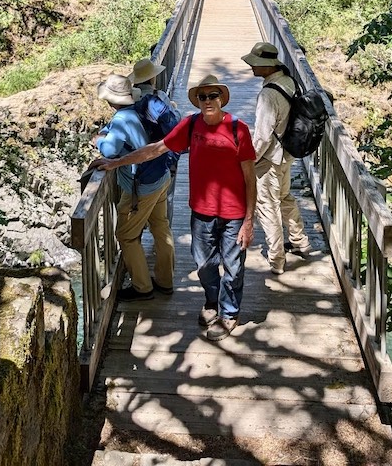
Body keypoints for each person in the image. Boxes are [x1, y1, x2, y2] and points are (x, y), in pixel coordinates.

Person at [91, 73, 257, 341]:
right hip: (202, 210)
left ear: (222, 98)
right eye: (202, 97)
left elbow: (250, 177)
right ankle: (211, 301)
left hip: (234, 213)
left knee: (233, 266)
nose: (207, 101)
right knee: (204, 264)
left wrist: (249, 220)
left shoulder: (238, 130)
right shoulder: (191, 125)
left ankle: (228, 313)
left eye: (212, 96)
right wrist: (115, 163)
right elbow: (155, 149)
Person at [95, 73, 175, 302]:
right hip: (160, 176)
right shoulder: (139, 108)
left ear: (111, 100)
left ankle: (143, 288)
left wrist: (98, 140)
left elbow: (109, 151)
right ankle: (165, 281)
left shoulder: (121, 119)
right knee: (161, 228)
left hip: (141, 187)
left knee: (126, 236)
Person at [242, 41, 312, 274]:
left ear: (267, 66)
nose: (252, 68)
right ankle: (300, 240)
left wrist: (249, 161)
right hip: (288, 153)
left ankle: (276, 259)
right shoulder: (288, 81)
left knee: (267, 206)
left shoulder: (268, 94)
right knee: (284, 197)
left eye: (255, 64)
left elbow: (262, 136)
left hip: (270, 158)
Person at [129, 57, 181, 224]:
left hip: (137, 157)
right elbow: (175, 122)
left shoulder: (131, 101)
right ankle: (164, 228)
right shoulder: (159, 97)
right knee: (166, 196)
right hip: (164, 153)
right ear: (153, 78)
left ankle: (144, 226)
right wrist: (174, 108)